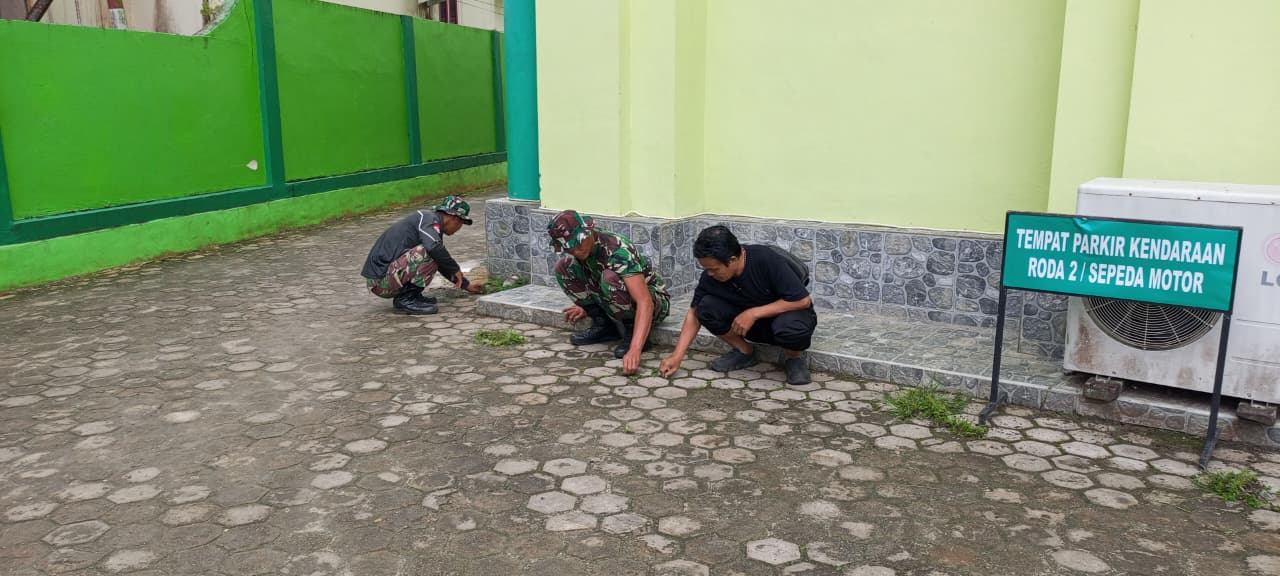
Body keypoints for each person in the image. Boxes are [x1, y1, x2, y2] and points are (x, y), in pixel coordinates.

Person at [659, 225, 818, 385]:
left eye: (714, 269)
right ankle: (745, 351)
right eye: (706, 269)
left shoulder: (765, 259)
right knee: (705, 307)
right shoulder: (710, 276)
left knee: (791, 327)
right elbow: (693, 314)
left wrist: (753, 313)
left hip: (784, 320)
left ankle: (793, 359)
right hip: (748, 328)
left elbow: (802, 300)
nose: (710, 273)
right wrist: (677, 356)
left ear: (733, 259)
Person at [547, 210, 670, 375]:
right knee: (563, 267)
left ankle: (632, 330)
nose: (575, 250)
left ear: (588, 233)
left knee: (610, 277)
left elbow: (645, 302)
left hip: (654, 303)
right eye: (568, 247)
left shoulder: (618, 250)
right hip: (616, 298)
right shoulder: (581, 251)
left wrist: (635, 349)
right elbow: (592, 279)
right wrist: (586, 306)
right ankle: (604, 325)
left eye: (578, 244)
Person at [360, 195, 484, 314]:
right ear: (455, 219)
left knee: (435, 252)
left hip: (386, 278)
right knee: (428, 251)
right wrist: (455, 268)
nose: (459, 229)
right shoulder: (428, 219)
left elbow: (439, 260)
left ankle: (413, 295)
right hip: (380, 282)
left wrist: (466, 285)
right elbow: (433, 249)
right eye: (461, 224)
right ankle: (406, 299)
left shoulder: (431, 224)